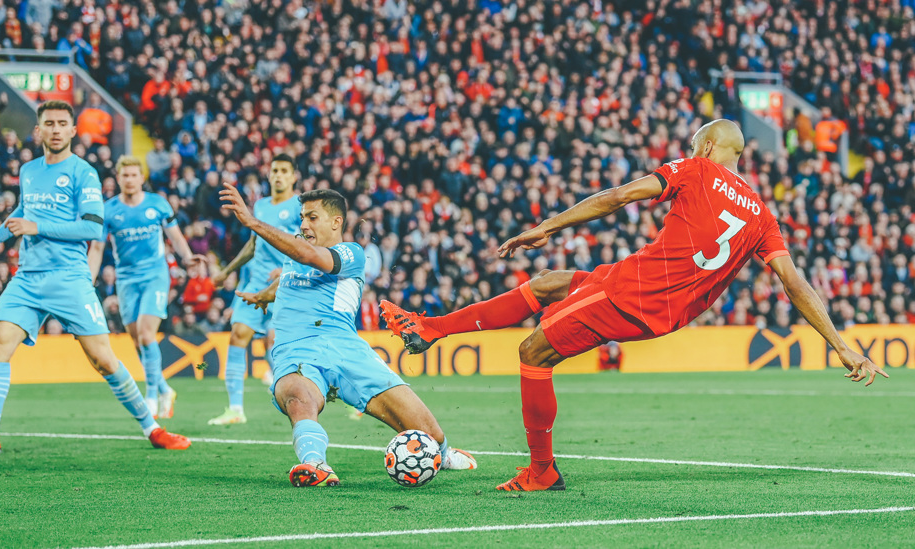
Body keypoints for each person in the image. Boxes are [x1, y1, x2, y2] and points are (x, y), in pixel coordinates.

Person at [380, 120, 887, 491]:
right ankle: (431, 328)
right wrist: (841, 346)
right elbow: (795, 284)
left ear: (708, 147)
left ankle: (542, 471)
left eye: (694, 145)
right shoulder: (764, 219)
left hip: (632, 294)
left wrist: (547, 226)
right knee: (552, 282)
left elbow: (619, 195)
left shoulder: (695, 169)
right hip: (660, 308)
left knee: (533, 353)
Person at [0, 100, 190, 457]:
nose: (56, 129)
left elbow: (92, 226)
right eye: (50, 123)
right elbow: (22, 210)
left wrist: (37, 226)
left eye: (63, 123)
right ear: (39, 130)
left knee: (104, 360)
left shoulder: (84, 173)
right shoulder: (29, 171)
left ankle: (153, 429)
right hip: (28, 277)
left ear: (73, 130)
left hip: (69, 277)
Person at [220, 184, 477, 486]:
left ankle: (442, 454)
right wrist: (265, 295)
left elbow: (308, 257)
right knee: (297, 395)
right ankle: (315, 464)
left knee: (428, 435)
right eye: (302, 217)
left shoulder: (350, 253)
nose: (303, 224)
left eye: (312, 217)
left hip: (345, 349)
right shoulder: (294, 259)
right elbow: (294, 272)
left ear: (335, 222)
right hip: (296, 351)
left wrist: (251, 222)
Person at [87, 155, 205, 418]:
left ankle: (150, 396)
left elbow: (175, 235)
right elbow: (97, 247)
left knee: (147, 334)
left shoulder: (158, 204)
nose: (129, 180)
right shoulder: (108, 210)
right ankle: (164, 389)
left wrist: (188, 258)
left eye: (133, 175)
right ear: (118, 178)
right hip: (126, 279)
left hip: (155, 275)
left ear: (142, 178)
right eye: (124, 175)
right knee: (137, 340)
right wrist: (88, 278)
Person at [207, 154, 301, 425]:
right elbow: (253, 244)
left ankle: (295, 399)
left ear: (294, 176)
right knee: (238, 334)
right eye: (275, 171)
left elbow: (308, 244)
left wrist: (289, 269)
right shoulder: (259, 206)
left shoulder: (299, 206)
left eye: (284, 170)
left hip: (287, 284)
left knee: (275, 344)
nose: (279, 175)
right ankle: (235, 409)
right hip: (256, 280)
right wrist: (226, 271)